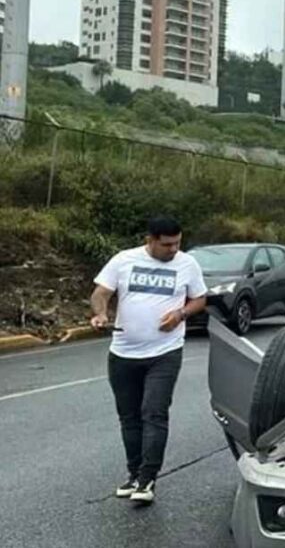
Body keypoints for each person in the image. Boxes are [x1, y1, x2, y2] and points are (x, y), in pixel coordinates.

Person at [90, 216, 207, 504]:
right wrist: (101, 313)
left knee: (153, 412)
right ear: (150, 241)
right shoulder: (123, 260)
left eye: (178, 243)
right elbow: (100, 293)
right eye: (167, 245)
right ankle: (134, 474)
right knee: (129, 417)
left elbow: (200, 299)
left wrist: (180, 314)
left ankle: (147, 479)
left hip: (165, 353)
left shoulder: (187, 264)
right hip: (123, 353)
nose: (173, 249)